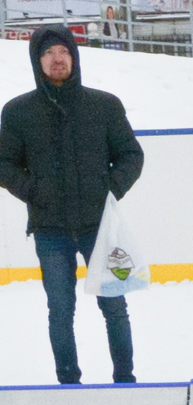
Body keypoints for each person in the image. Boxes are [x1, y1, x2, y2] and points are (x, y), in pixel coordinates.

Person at [0, 26, 143, 385]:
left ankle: (125, 379)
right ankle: (68, 381)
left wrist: (108, 189)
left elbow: (130, 155)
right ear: (37, 60)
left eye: (63, 51)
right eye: (48, 53)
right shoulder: (17, 112)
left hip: (99, 226)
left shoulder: (104, 105)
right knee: (60, 310)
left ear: (74, 56)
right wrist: (33, 191)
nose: (57, 59)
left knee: (114, 307)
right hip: (50, 230)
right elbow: (3, 163)